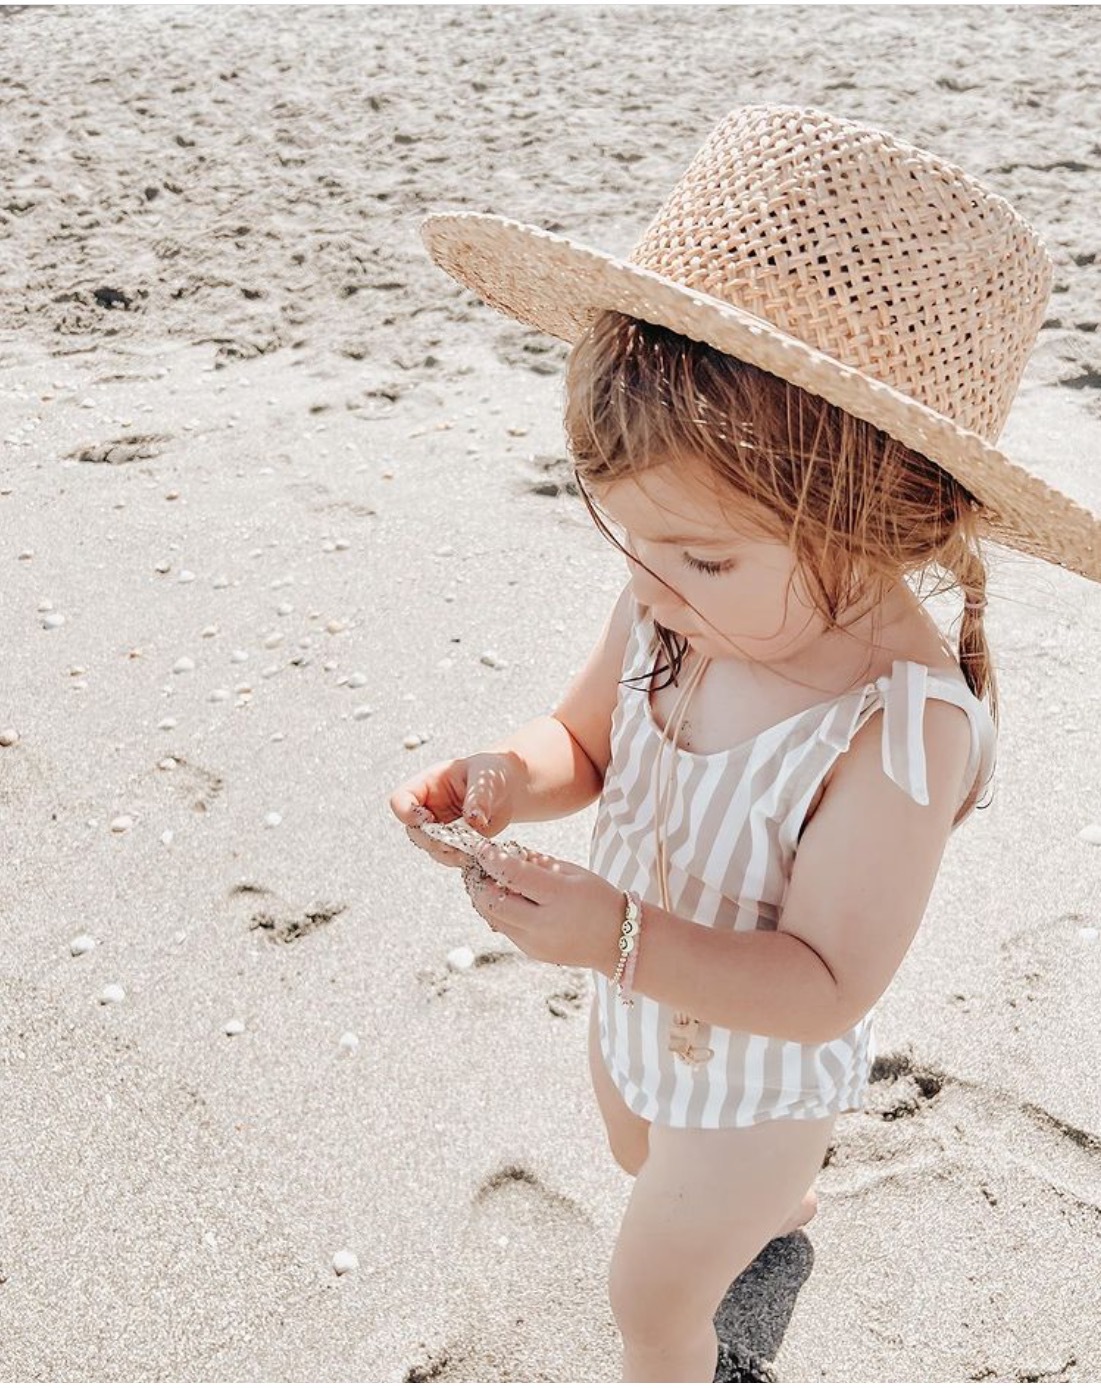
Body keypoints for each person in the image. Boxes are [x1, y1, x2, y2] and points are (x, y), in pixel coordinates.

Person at [388, 106, 1101, 1383]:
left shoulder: (900, 728)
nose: (650, 584)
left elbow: (826, 980)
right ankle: (772, 1213)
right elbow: (584, 741)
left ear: (878, 521)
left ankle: (716, 1277)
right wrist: (508, 776)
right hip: (636, 998)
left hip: (760, 1077)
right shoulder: (679, 598)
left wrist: (612, 932)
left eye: (699, 558)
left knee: (650, 1291)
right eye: (631, 542)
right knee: (632, 1145)